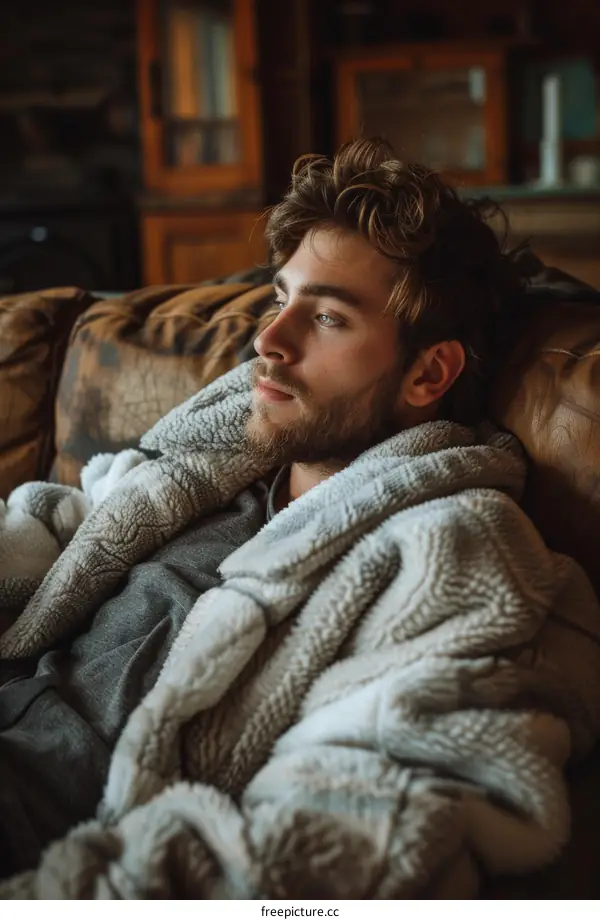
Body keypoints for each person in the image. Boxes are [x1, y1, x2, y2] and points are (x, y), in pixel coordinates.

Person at [0, 138, 599, 898]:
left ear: (430, 372)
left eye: (328, 318)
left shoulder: (449, 551)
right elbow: (66, 529)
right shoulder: (215, 473)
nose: (267, 341)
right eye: (282, 297)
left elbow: (358, 829)